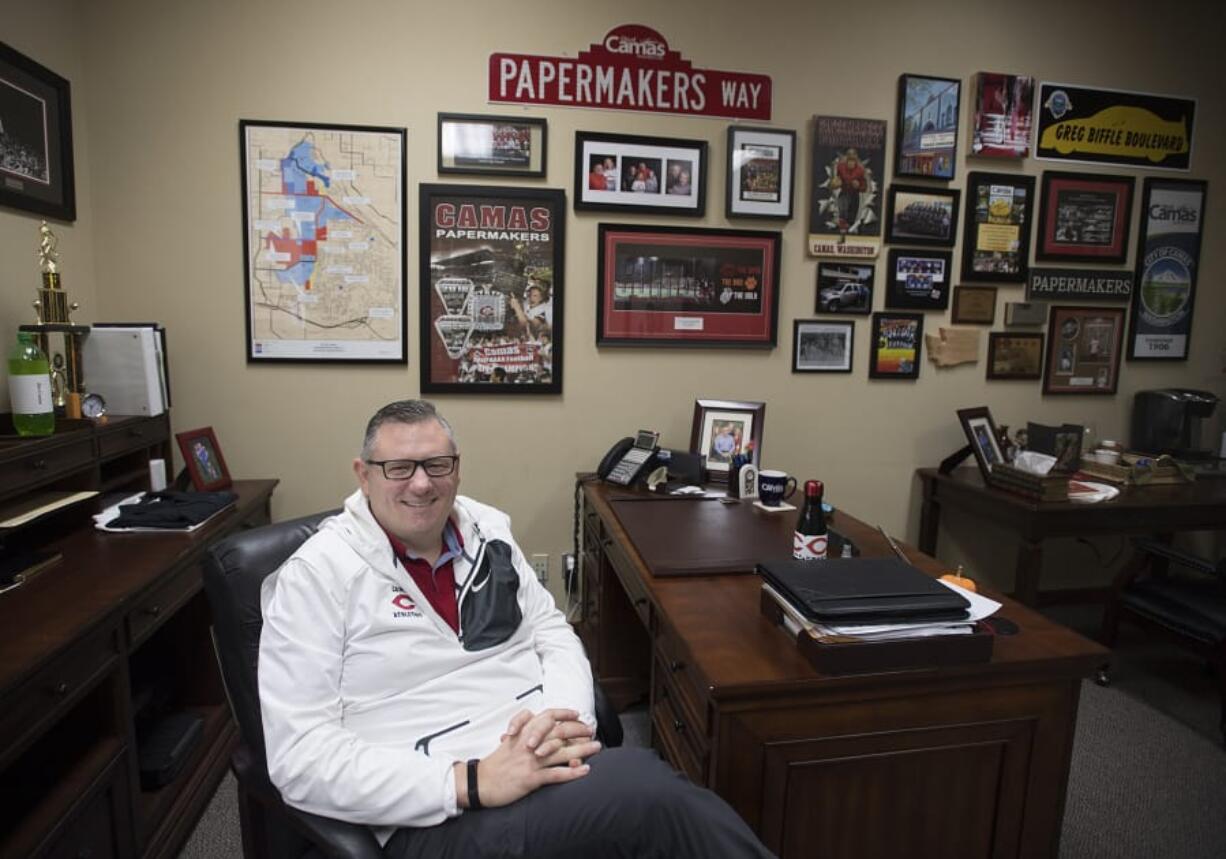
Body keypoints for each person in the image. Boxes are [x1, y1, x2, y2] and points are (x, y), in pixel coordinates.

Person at [259, 400, 775, 858]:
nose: (421, 483)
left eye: (437, 464)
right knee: (657, 799)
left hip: (540, 760)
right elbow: (300, 759)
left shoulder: (487, 531)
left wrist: (565, 720)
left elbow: (551, 630)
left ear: (456, 470)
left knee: (653, 806)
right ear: (363, 474)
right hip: (437, 811)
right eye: (399, 467)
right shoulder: (316, 576)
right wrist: (472, 781)